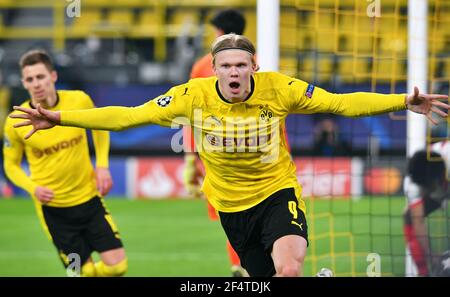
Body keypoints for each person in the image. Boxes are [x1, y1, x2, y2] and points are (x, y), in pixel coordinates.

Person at [10, 34, 449, 277]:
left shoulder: (281, 88)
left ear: (253, 67)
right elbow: (127, 116)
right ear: (215, 70)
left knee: (290, 268)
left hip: (277, 193)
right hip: (230, 208)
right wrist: (61, 118)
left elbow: (339, 103)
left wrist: (401, 102)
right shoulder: (190, 96)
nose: (234, 72)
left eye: (242, 65)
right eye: (226, 66)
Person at [3, 50, 127, 277]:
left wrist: (102, 165)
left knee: (117, 267)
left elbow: (100, 127)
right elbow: (10, 165)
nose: (36, 84)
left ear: (53, 76)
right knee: (83, 272)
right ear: (24, 83)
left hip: (88, 199)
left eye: (40, 77)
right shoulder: (15, 121)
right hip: (54, 209)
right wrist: (33, 188)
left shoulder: (79, 100)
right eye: (30, 79)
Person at [183, 8, 247, 277]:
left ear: (220, 33)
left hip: (215, 156)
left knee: (230, 214)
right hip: (253, 153)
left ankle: (239, 265)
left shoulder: (202, 66)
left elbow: (189, 111)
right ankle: (244, 266)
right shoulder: (256, 64)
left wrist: (190, 157)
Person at [403, 140, 449, 276]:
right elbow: (418, 221)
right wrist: (430, 255)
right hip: (440, 188)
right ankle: (423, 273)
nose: (424, 191)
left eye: (427, 187)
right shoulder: (413, 183)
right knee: (409, 216)